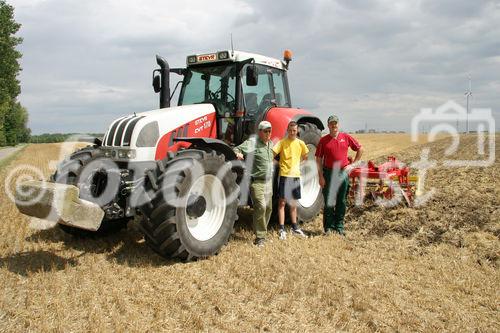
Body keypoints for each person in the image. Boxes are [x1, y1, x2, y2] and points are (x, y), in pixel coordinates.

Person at [315, 115, 363, 236]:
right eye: (331, 123)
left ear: (338, 125)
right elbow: (319, 159)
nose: (334, 125)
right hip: (329, 173)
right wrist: (320, 176)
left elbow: (360, 149)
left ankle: (339, 227)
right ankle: (328, 228)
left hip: (343, 172)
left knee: (342, 200)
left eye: (335, 123)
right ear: (328, 125)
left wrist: (353, 165)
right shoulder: (323, 141)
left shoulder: (345, 137)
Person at [234, 120, 275, 247]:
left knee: (268, 208)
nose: (268, 133)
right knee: (260, 207)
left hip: (268, 181)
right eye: (265, 131)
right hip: (257, 181)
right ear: (259, 132)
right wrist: (237, 153)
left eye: (270, 131)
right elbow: (237, 148)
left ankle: (261, 230)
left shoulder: (271, 144)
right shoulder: (253, 143)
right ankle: (260, 237)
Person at [272, 121, 309, 240]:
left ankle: (295, 227)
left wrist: (299, 165)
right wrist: (279, 164)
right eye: (290, 130)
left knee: (293, 204)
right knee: (282, 203)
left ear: (297, 131)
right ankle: (282, 228)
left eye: (294, 131)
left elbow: (305, 157)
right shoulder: (282, 142)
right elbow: (271, 154)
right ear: (287, 130)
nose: (292, 132)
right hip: (284, 175)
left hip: (296, 176)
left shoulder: (301, 143)